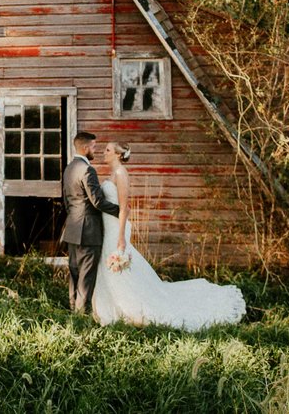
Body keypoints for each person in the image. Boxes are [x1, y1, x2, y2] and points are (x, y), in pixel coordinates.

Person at [91, 141, 247, 330]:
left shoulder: (121, 173)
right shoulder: (112, 174)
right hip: (108, 225)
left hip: (117, 227)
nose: (103, 152)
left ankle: (130, 307)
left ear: (117, 154)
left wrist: (122, 236)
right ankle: (113, 305)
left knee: (118, 266)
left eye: (107, 150)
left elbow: (124, 207)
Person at [61, 131, 121, 314]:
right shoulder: (87, 170)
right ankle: (82, 314)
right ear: (85, 148)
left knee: (75, 273)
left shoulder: (69, 168)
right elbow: (97, 201)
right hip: (88, 230)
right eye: (94, 147)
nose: (96, 150)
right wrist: (120, 211)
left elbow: (66, 201)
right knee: (87, 275)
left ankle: (73, 310)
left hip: (72, 227)